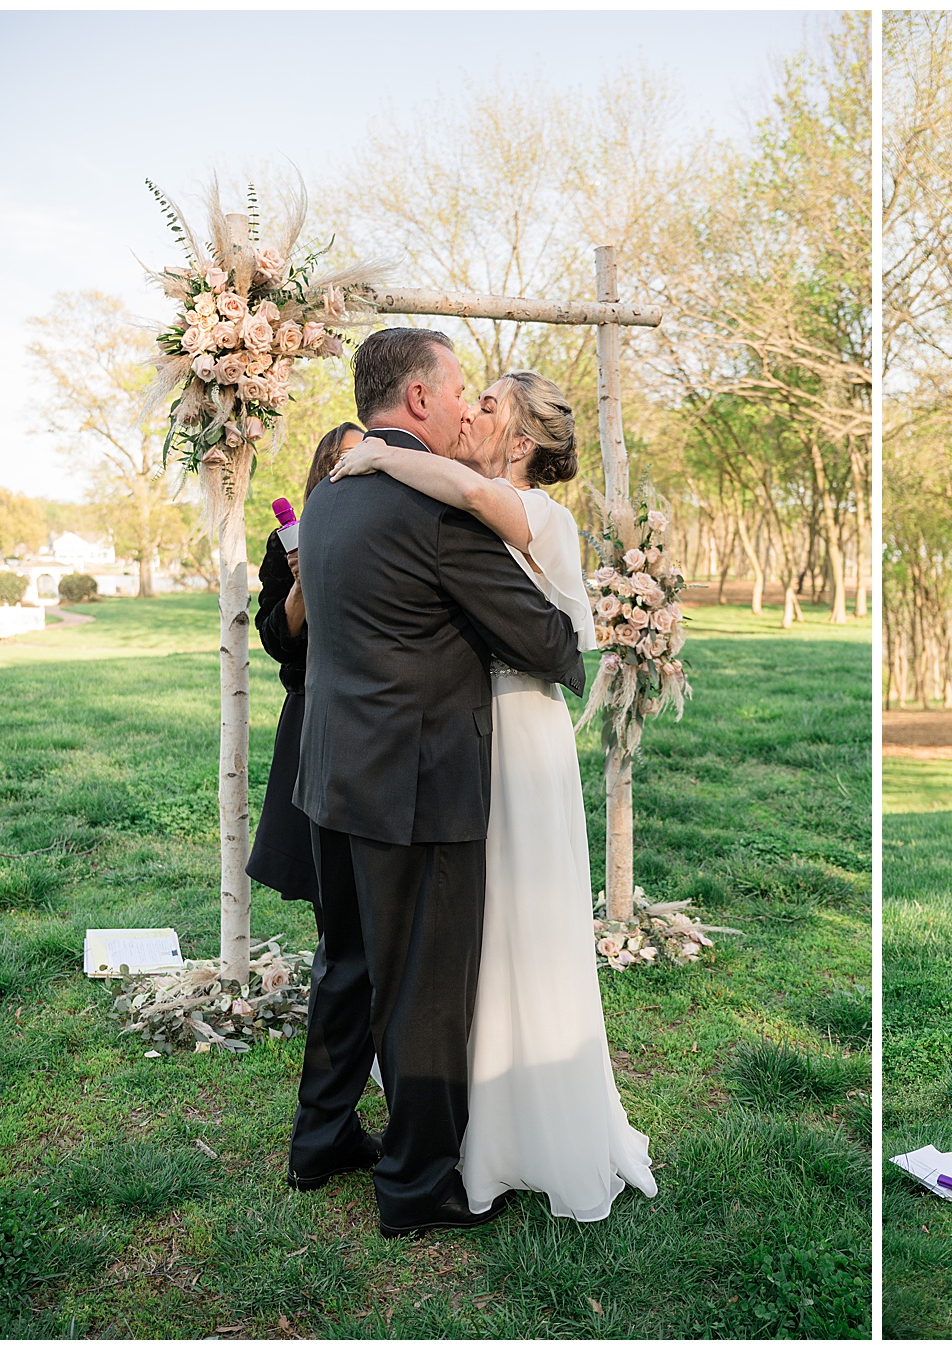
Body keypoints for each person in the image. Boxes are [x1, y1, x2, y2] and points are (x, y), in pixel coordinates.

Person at [330, 369, 657, 1222]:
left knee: (522, 924)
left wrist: (377, 454)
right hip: (477, 734)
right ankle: (481, 1119)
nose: (471, 410)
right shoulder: (477, 503)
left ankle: (531, 1127)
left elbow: (449, 482)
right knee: (477, 930)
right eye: (467, 396)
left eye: (488, 404)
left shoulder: (533, 512)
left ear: (519, 444)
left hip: (517, 734)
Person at [288, 328, 588, 1239]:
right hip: (416, 783)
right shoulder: (438, 513)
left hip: (331, 771)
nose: (467, 406)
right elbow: (546, 642)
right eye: (459, 390)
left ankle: (320, 1139)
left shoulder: (331, 495)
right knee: (423, 988)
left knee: (346, 966)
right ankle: (416, 1188)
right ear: (418, 399)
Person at [246, 422, 364, 912]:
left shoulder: (382, 529)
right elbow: (276, 640)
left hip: (369, 704)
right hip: (309, 708)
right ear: (325, 467)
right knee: (323, 870)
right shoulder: (290, 541)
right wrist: (302, 584)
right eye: (345, 458)